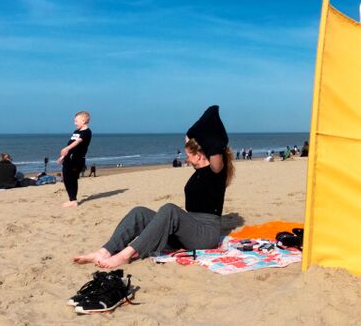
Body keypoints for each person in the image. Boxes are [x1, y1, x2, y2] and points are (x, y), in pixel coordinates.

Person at [72, 105, 234, 269]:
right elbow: (189, 136)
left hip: (204, 234)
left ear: (199, 155)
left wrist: (213, 112)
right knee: (139, 213)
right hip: (188, 229)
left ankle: (125, 255)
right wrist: (192, 134)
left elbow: (214, 144)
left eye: (188, 156)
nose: (186, 159)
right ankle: (104, 251)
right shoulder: (197, 171)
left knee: (170, 209)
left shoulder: (216, 171)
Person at [57, 111, 92, 208]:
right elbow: (70, 144)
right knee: (66, 179)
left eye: (76, 121)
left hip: (77, 160)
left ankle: (73, 200)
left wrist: (67, 148)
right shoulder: (76, 132)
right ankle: (71, 199)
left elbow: (78, 142)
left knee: (72, 179)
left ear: (84, 121)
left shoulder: (87, 132)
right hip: (68, 159)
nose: (74, 123)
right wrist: (63, 156)